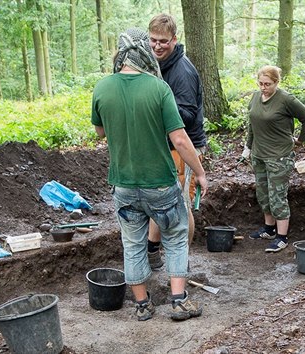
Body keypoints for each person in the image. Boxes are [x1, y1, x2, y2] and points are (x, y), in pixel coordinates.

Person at [91, 28, 208, 321]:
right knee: (177, 236)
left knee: (132, 244)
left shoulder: (102, 88)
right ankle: (179, 301)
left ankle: (142, 305)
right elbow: (180, 139)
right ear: (145, 52)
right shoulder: (159, 89)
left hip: (124, 185)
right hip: (160, 183)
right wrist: (200, 172)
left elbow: (100, 131)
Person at [146, 13, 207, 270]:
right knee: (159, 201)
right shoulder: (159, 65)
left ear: (174, 39)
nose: (158, 46)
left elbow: (187, 115)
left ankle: (182, 259)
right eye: (153, 41)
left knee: (182, 207)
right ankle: (152, 250)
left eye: (163, 41)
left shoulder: (182, 71)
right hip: (166, 147)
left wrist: (154, 112)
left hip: (184, 148)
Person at [242, 65, 305, 253]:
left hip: (279, 156)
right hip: (259, 154)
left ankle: (282, 237)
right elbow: (252, 124)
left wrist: (301, 140)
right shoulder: (256, 97)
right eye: (261, 84)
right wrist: (248, 147)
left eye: (268, 84)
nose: (263, 87)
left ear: (276, 82)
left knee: (277, 197)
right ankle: (269, 229)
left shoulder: (285, 99)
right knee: (263, 194)